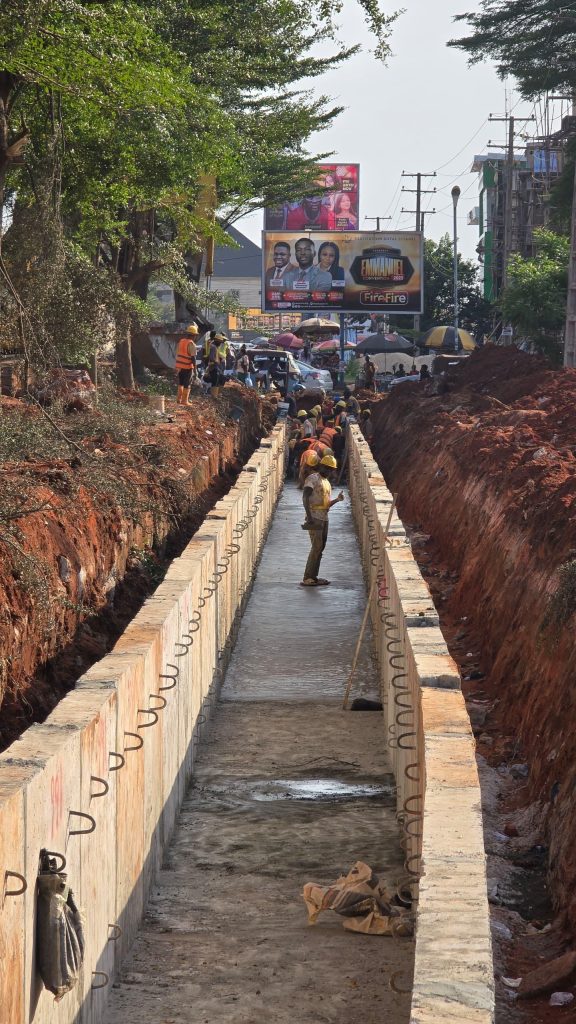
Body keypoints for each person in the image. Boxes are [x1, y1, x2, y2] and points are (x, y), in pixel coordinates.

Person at [300, 454, 344, 587]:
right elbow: (305, 497)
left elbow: (325, 504)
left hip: (324, 518)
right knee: (316, 546)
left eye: (332, 469)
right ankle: (308, 577)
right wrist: (309, 518)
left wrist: (337, 499)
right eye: (328, 468)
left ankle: (313, 576)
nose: (330, 471)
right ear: (322, 466)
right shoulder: (313, 478)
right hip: (315, 517)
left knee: (321, 547)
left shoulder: (327, 483)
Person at [175, 323, 199, 406]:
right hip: (187, 366)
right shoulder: (191, 344)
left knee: (181, 382)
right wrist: (195, 369)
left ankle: (179, 399)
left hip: (179, 366)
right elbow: (193, 358)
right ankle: (185, 401)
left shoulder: (181, 341)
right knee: (187, 383)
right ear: (193, 335)